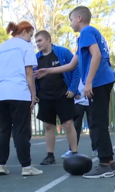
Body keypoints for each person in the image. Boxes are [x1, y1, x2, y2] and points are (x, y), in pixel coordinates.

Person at [36, 6, 115, 178]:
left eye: (71, 19)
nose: (71, 23)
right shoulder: (85, 37)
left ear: (79, 18)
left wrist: (88, 82)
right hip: (102, 81)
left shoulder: (87, 31)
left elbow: (96, 56)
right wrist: (47, 71)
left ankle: (104, 164)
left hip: (99, 82)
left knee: (97, 124)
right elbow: (72, 65)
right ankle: (109, 163)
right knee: (98, 122)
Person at [0, 21, 43, 176]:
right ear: (25, 31)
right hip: (18, 92)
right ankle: (26, 167)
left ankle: (2, 165)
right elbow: (29, 73)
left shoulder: (1, 47)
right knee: (21, 130)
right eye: (31, 35)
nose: (31, 39)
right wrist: (33, 94)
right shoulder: (25, 46)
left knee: (3, 130)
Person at [34, 30, 80, 165]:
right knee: (48, 126)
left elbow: (76, 69)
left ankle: (74, 152)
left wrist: (72, 88)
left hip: (63, 95)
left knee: (68, 124)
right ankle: (50, 155)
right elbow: (31, 76)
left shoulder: (62, 52)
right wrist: (34, 94)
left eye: (40, 40)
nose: (37, 44)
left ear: (48, 40)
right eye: (36, 42)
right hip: (45, 97)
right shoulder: (36, 58)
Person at [61, 79, 98, 158]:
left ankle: (96, 149)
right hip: (78, 101)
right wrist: (75, 92)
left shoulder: (89, 69)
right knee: (75, 126)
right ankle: (72, 150)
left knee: (93, 125)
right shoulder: (75, 69)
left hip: (90, 100)